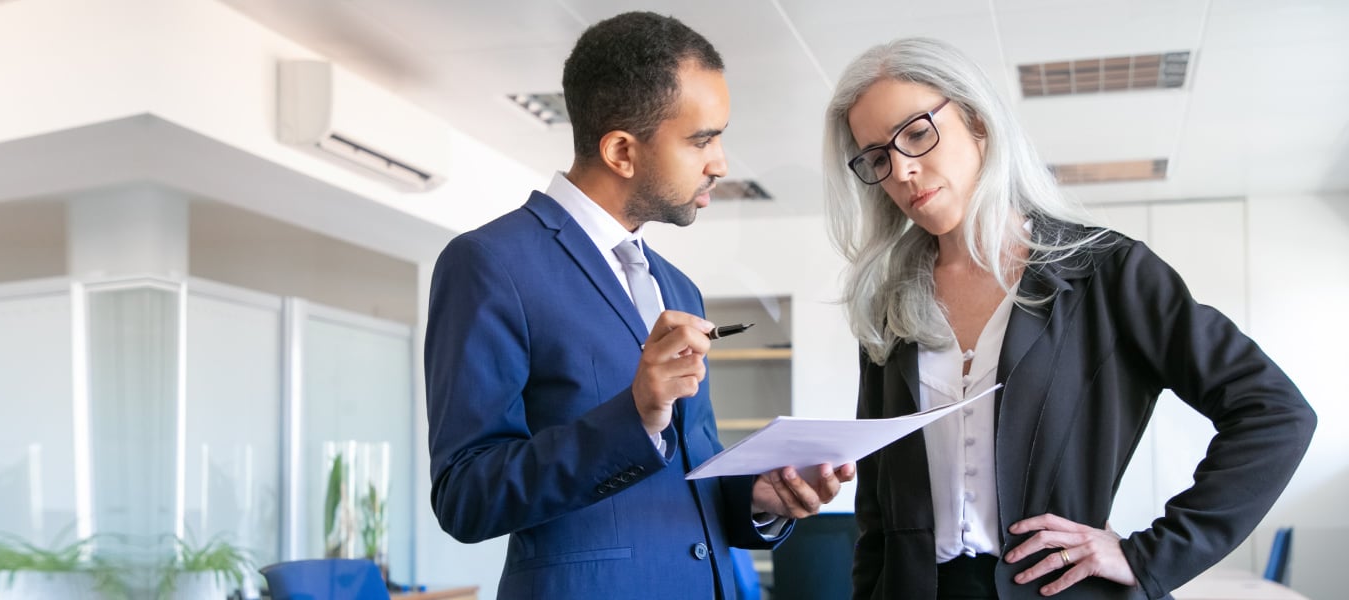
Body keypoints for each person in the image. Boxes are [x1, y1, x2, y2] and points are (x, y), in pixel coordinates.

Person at [822, 38, 1316, 599]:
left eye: (916, 133)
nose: (904, 171)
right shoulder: (891, 303)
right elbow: (878, 512)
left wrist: (1152, 554)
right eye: (879, 158)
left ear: (978, 123)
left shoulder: (1107, 273)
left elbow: (1275, 412)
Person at [425, 12, 854, 599]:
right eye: (702, 139)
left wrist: (757, 495)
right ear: (622, 151)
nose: (721, 162)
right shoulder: (490, 263)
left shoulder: (678, 288)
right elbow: (465, 497)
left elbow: (690, 470)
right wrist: (635, 415)